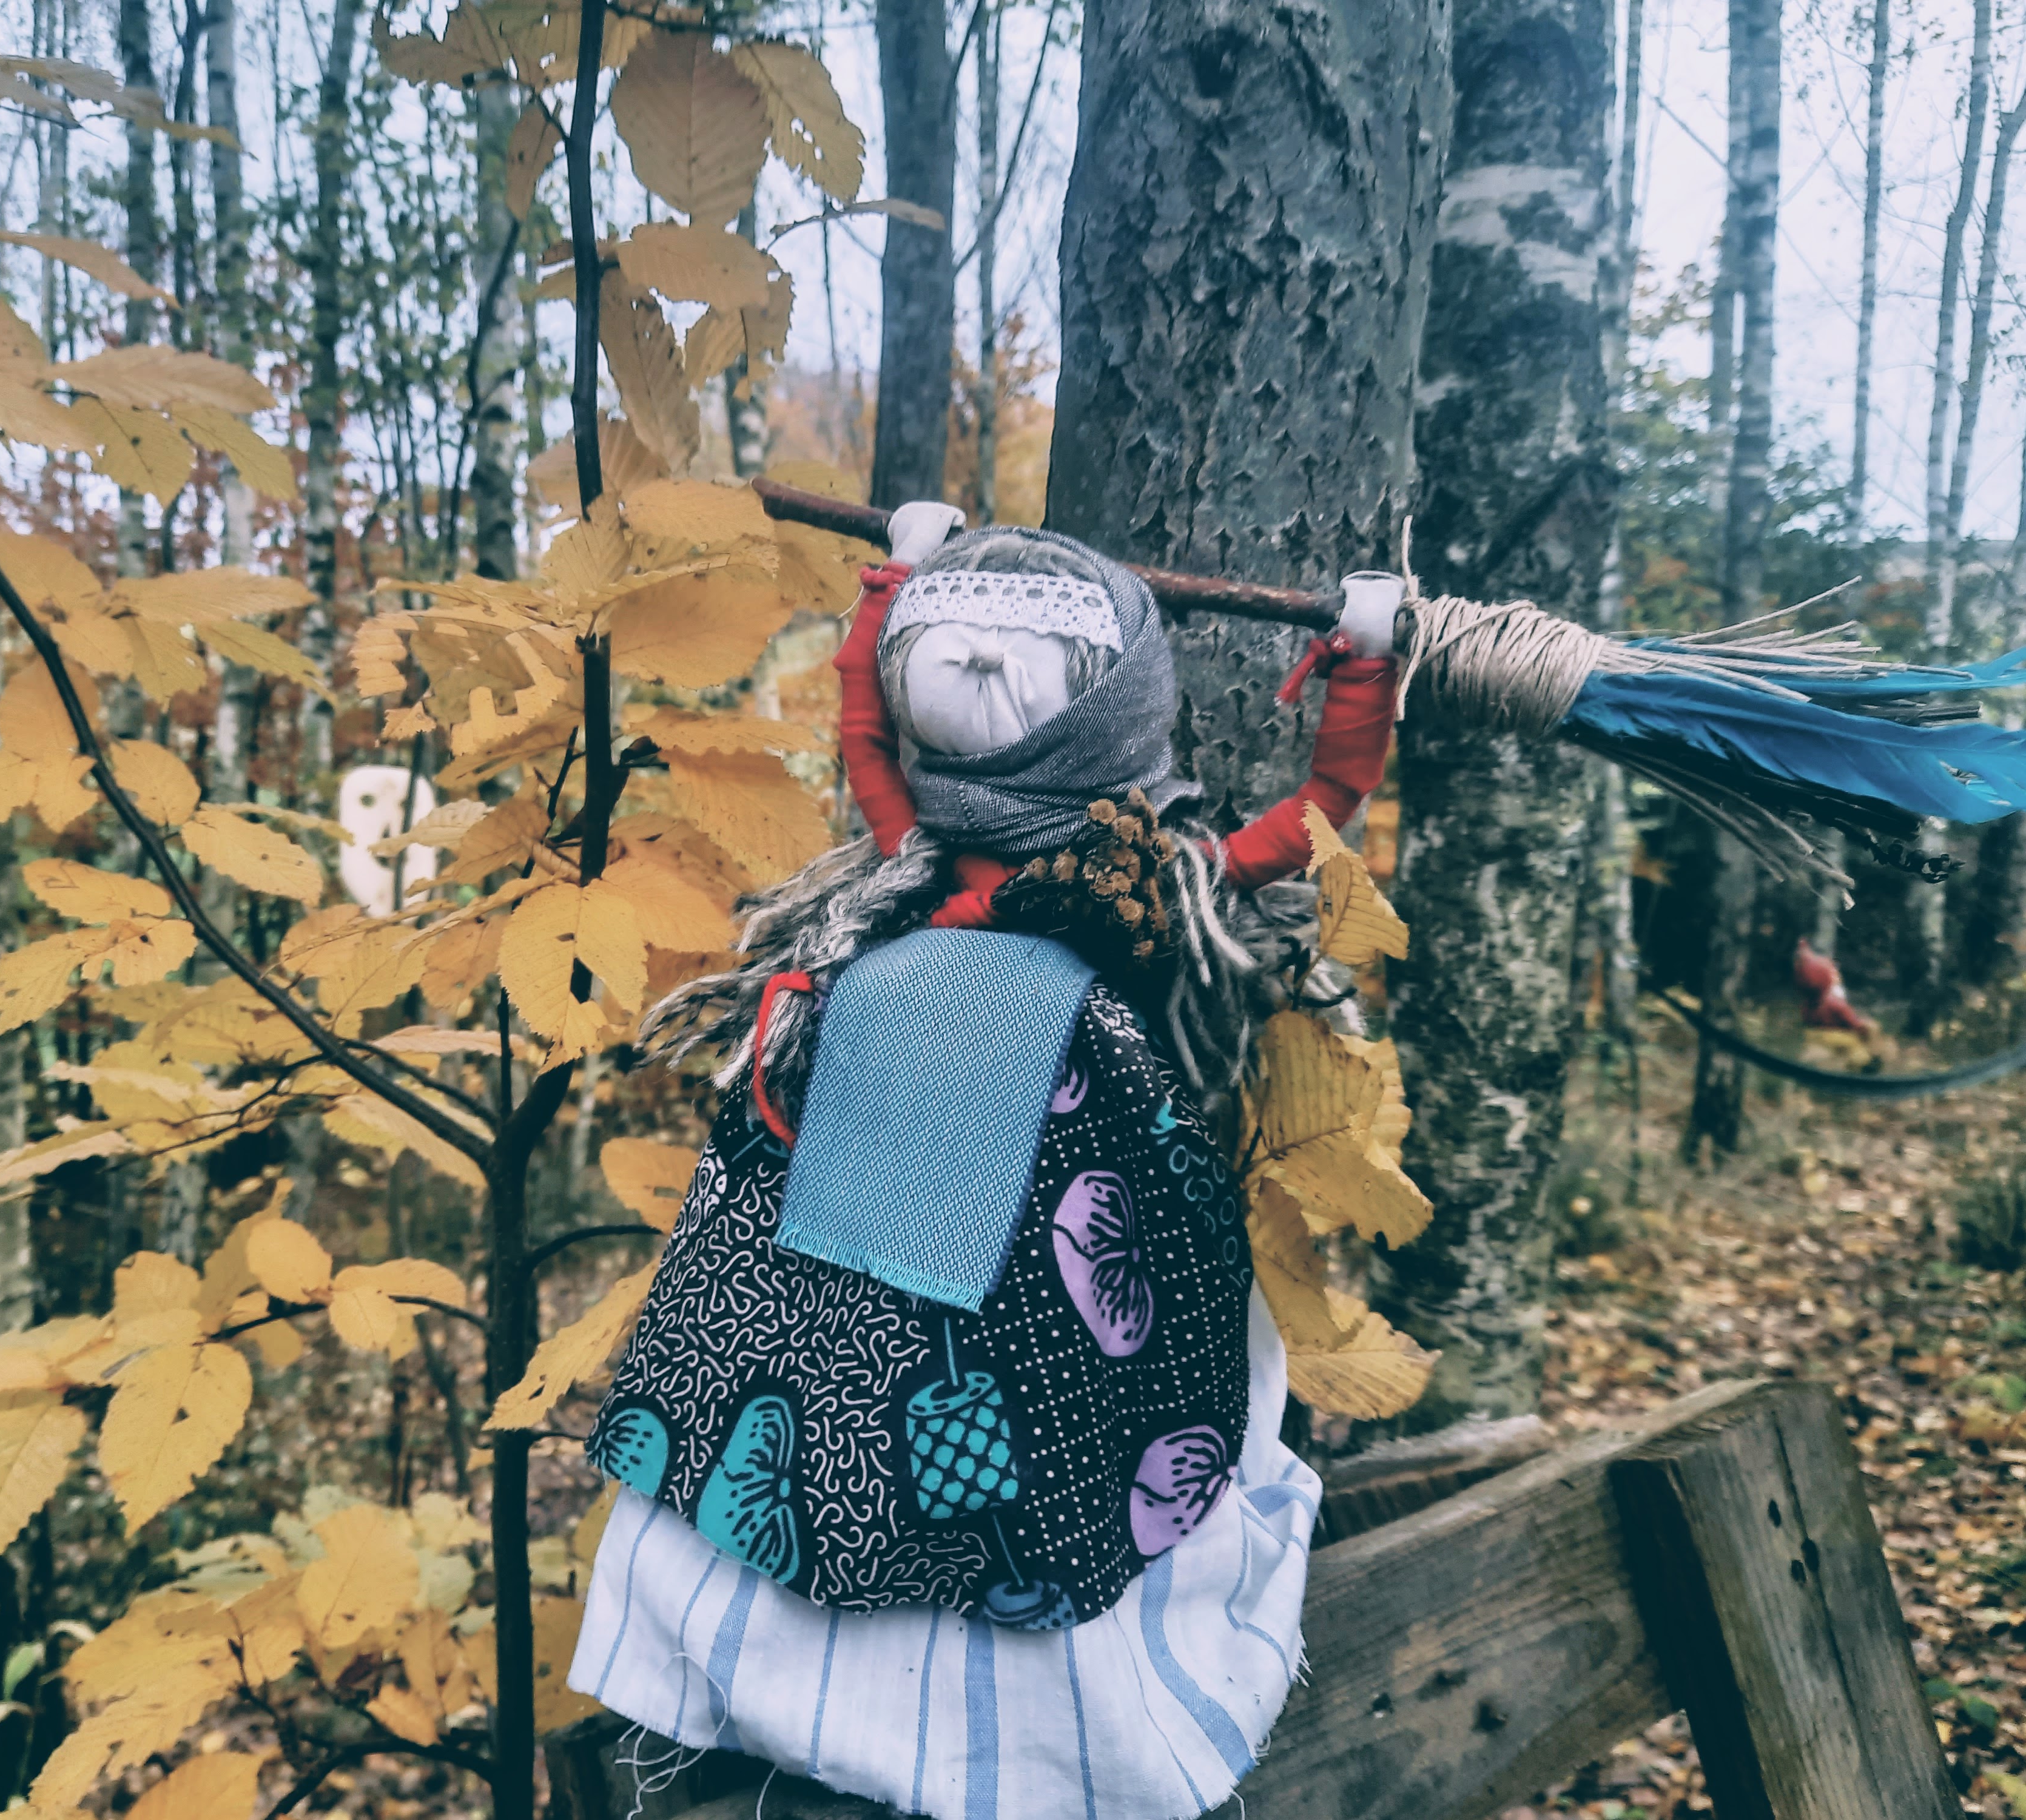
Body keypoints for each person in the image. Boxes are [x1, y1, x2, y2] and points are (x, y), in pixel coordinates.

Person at [566, 504, 1403, 1819]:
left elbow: (1311, 820)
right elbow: (1320, 809)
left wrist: (895, 576)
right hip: (951, 1112)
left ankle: (848, 1691)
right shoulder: (1099, 868)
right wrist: (1364, 667)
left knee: (868, 1372)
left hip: (974, 1110)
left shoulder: (1101, 868)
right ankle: (957, 1721)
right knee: (941, 1381)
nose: (971, 671)